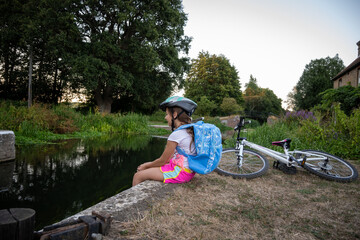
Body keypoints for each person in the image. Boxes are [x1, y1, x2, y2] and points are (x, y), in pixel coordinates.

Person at [132, 96, 198, 186]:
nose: (165, 117)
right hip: (187, 171)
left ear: (174, 115)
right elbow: (168, 159)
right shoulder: (188, 130)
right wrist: (151, 165)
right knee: (148, 170)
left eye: (167, 114)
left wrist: (146, 165)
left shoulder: (177, 134)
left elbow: (163, 160)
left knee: (138, 176)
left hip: (180, 172)